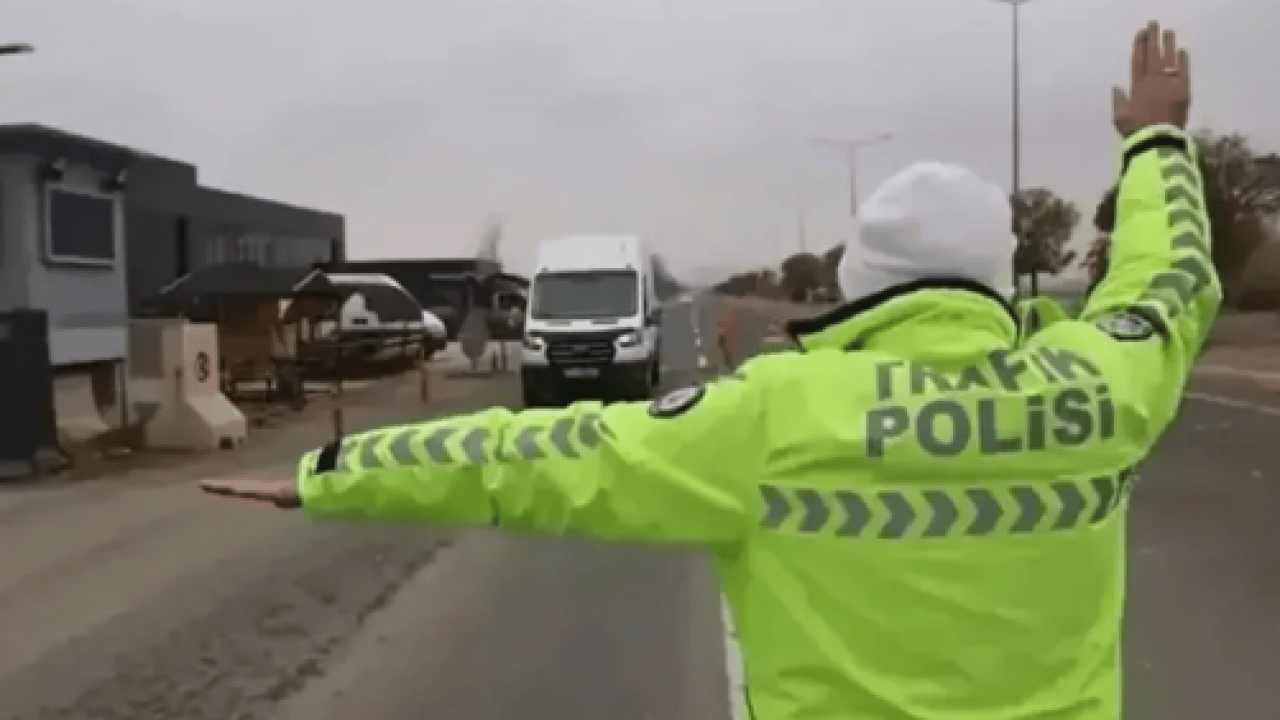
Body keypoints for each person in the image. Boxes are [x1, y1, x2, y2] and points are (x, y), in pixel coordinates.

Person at [203, 22, 1216, 720]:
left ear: (858, 282)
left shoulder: (776, 413)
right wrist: (1158, 141)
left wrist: (331, 473)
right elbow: (1167, 277)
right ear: (998, 276)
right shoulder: (1095, 385)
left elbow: (540, 454)